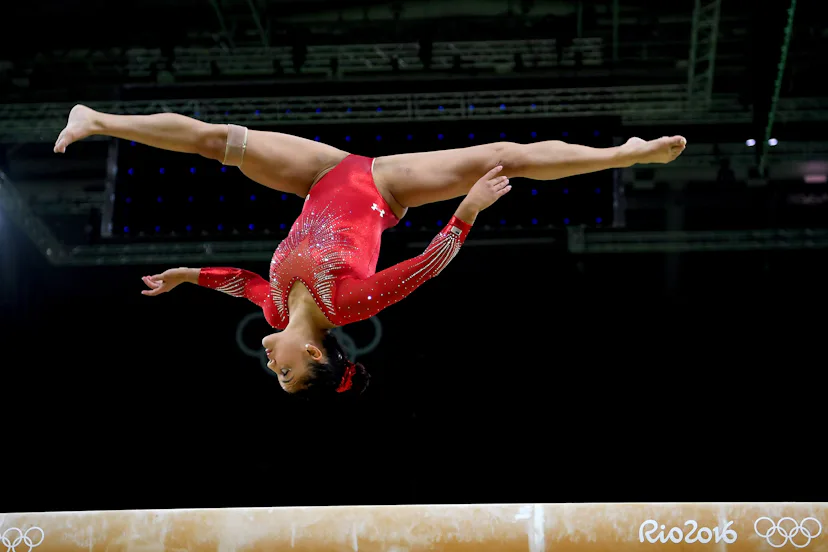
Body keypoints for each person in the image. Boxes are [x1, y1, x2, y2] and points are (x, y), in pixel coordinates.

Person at [54, 105, 686, 398]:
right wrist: (469, 209)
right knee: (506, 158)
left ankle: (99, 119)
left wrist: (187, 277)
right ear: (311, 353)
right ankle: (623, 153)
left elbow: (239, 283)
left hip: (321, 174)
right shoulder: (348, 306)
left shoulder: (275, 313)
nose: (270, 366)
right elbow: (423, 268)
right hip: (386, 186)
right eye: (285, 373)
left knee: (219, 141)